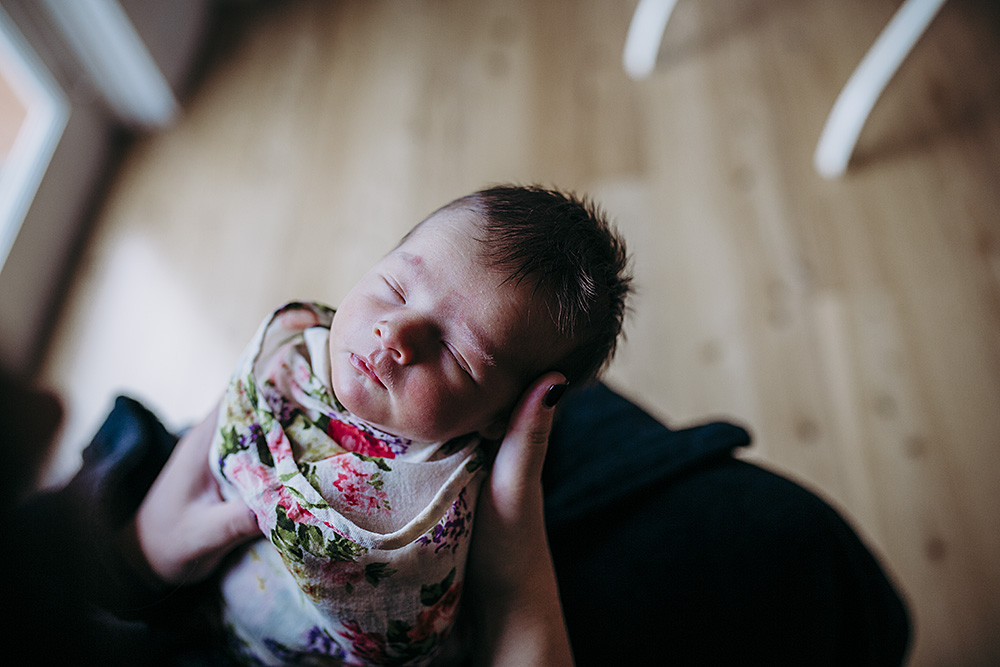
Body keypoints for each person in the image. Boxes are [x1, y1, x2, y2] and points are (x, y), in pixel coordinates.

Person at [199, 185, 632, 664]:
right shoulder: (292, 345)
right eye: (395, 288)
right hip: (205, 598)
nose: (396, 332)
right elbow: (215, 434)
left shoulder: (447, 498)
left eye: (458, 354)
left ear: (498, 420)